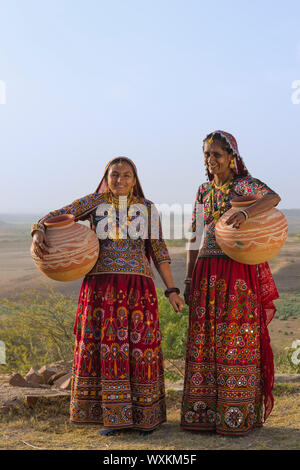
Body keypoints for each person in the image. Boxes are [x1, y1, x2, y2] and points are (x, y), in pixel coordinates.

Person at [31, 156, 184, 436]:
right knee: (107, 350)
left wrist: (171, 290)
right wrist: (38, 231)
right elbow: (53, 216)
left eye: (126, 175)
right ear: (106, 177)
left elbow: (159, 252)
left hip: (139, 290)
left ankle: (144, 417)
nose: (120, 180)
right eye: (114, 175)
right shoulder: (94, 203)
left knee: (140, 351)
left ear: (135, 179)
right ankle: (112, 419)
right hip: (102, 290)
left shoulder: (147, 209)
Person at [181, 131, 280, 436]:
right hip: (205, 272)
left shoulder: (242, 185)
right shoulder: (202, 190)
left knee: (235, 337)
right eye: (207, 155)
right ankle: (204, 414)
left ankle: (236, 413)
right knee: (205, 338)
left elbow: (273, 197)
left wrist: (246, 211)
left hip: (237, 271)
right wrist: (188, 276)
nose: (211, 161)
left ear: (232, 157)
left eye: (217, 155)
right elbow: (195, 234)